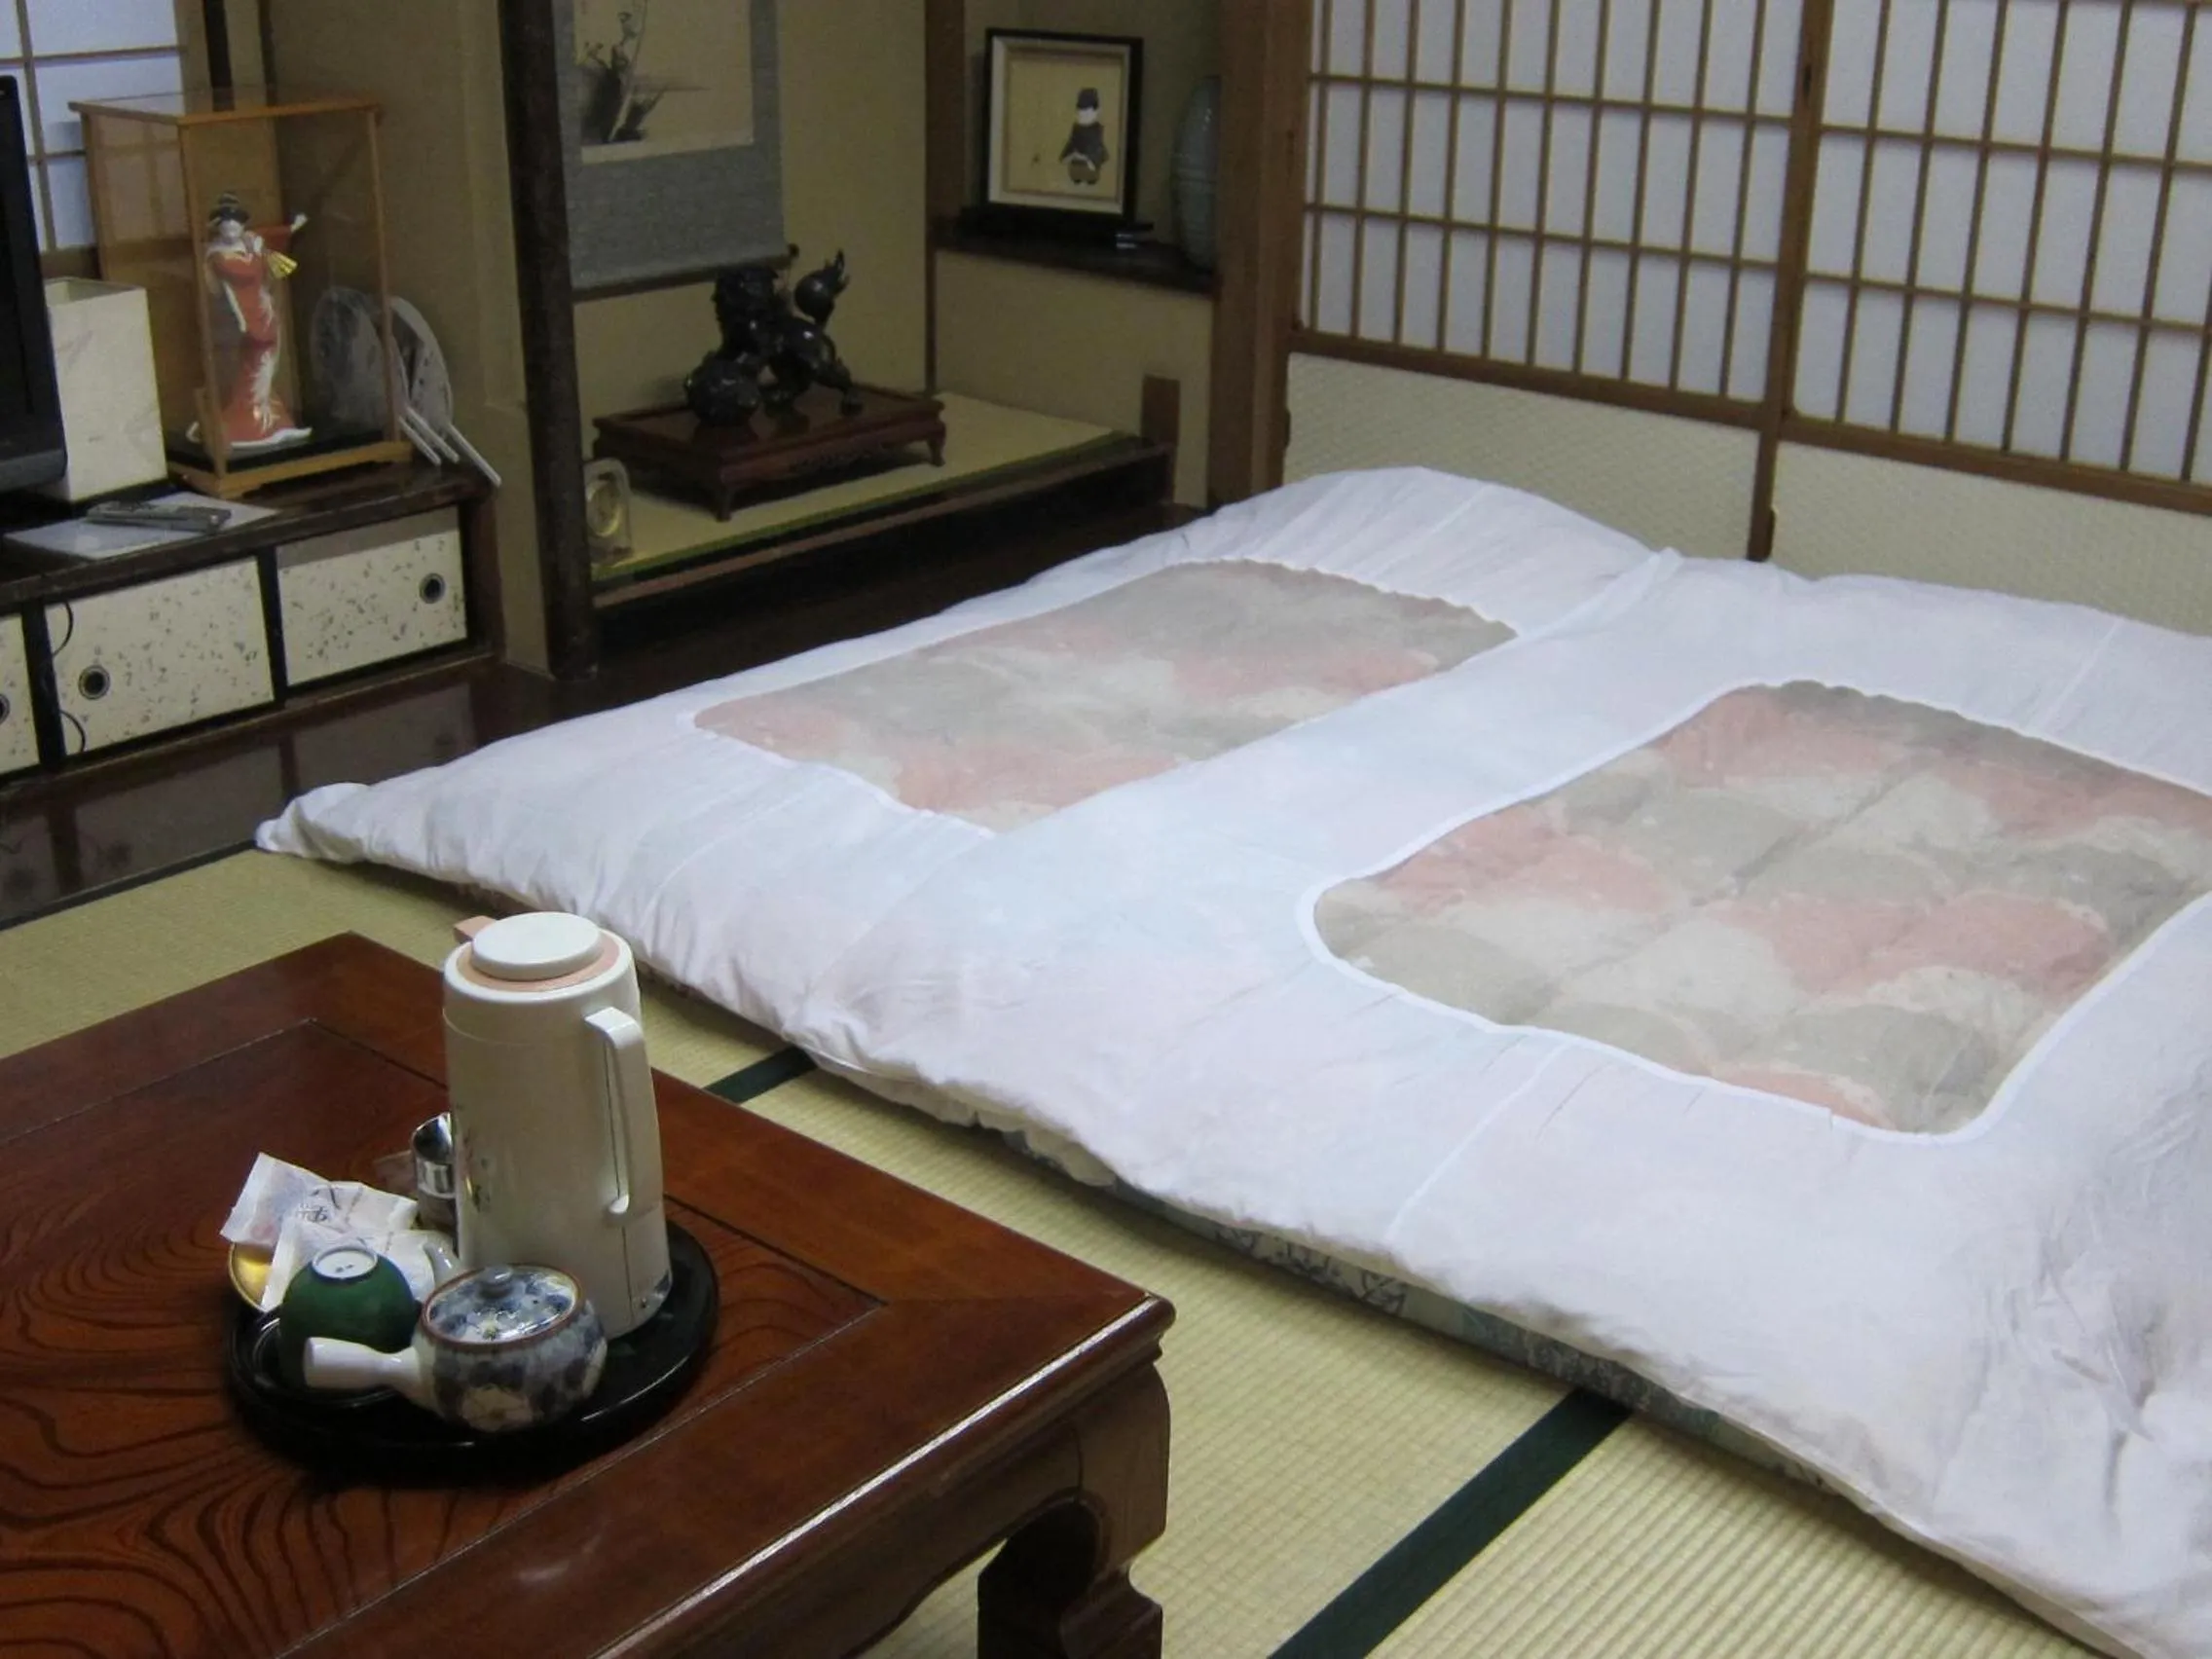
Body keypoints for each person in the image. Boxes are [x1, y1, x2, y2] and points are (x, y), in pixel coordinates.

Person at [202, 193, 312, 451]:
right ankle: (247, 427)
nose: (231, 229)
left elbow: (270, 234)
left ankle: (275, 424)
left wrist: (292, 227)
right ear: (218, 228)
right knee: (255, 369)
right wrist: (257, 251)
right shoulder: (218, 256)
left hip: (264, 310)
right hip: (245, 318)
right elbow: (246, 272)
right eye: (226, 225)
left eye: (236, 224)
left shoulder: (248, 243)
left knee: (265, 369)